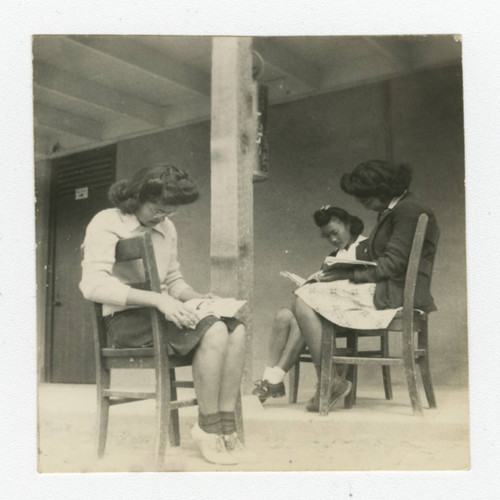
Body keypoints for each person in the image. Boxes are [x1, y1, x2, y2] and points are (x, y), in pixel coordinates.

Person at [79, 164, 248, 465]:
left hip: (162, 314)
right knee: (215, 330)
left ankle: (224, 423)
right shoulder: (106, 222)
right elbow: (92, 285)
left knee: (236, 329)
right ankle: (207, 427)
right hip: (125, 320)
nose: (163, 218)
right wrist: (158, 300)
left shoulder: (167, 228)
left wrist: (196, 298)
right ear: (137, 196)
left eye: (170, 212)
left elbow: (174, 280)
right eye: (158, 210)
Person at [294, 160, 439, 412]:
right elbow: (385, 260)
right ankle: (332, 380)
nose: (362, 204)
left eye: (364, 197)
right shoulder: (400, 209)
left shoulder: (408, 211)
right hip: (392, 288)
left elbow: (392, 264)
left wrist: (350, 273)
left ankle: (331, 382)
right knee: (309, 293)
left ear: (382, 189)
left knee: (305, 298)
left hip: (395, 293)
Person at [252, 206, 366, 404]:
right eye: (326, 236)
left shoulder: (367, 247)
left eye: (335, 233)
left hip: (354, 308)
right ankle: (270, 378)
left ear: (348, 224)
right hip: (329, 308)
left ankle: (273, 380)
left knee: (302, 314)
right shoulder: (334, 255)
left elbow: (369, 281)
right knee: (284, 315)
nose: (332, 239)